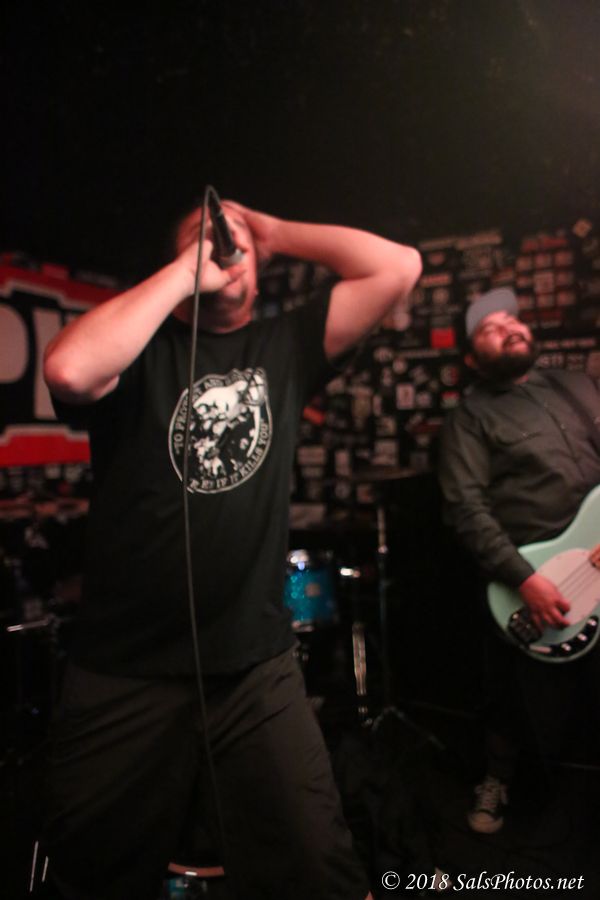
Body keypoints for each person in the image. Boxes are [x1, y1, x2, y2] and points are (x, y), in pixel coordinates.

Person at [41, 198, 422, 900]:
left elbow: (398, 267)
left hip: (255, 667)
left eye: (233, 235)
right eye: (202, 235)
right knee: (91, 872)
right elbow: (68, 370)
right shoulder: (143, 347)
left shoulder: (286, 345)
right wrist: (187, 272)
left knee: (318, 868)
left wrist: (272, 232)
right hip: (123, 667)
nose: (221, 241)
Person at [438, 286, 600, 834]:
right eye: (490, 328)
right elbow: (465, 508)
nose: (508, 327)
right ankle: (499, 782)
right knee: (514, 699)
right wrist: (525, 580)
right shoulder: (471, 418)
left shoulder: (576, 387)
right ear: (471, 358)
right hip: (536, 575)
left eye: (512, 319)